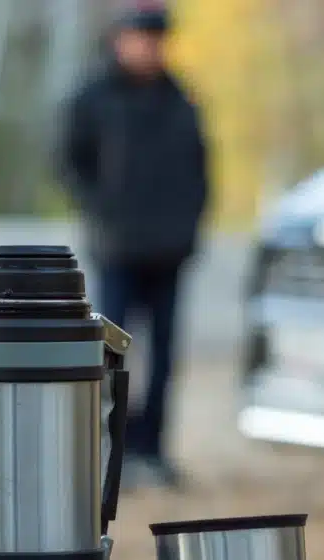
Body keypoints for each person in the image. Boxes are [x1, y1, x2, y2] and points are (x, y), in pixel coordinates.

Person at [56, 2, 210, 490]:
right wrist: (102, 211)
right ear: (120, 39)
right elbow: (68, 161)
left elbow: (201, 170)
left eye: (156, 38)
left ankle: (153, 451)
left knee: (165, 357)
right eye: (140, 37)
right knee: (110, 355)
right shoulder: (92, 97)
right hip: (118, 249)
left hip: (170, 252)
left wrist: (190, 225)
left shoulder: (181, 99)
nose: (148, 47)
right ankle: (108, 452)